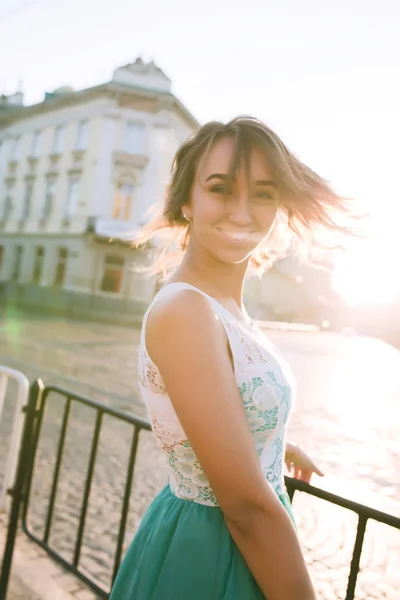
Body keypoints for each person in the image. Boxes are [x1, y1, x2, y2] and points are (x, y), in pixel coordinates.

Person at [110, 116, 352, 599]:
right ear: (187, 202)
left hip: (226, 543)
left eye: (263, 194)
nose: (243, 212)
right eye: (221, 189)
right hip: (211, 551)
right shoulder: (185, 310)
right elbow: (244, 506)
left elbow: (213, 411)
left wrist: (273, 443)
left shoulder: (226, 308)